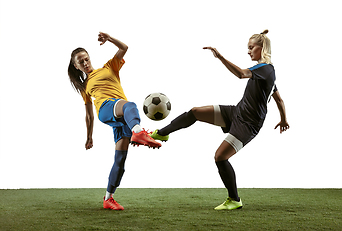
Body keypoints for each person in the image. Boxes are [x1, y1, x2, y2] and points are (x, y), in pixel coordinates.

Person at [151, 30, 289, 210]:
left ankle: (234, 199)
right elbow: (278, 98)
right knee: (195, 112)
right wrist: (284, 119)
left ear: (262, 48)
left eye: (251, 47)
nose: (248, 51)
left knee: (220, 157)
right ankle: (162, 134)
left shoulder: (265, 68)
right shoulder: (267, 72)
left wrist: (220, 57)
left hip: (248, 124)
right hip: (237, 112)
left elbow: (240, 74)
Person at [68, 32, 161, 211]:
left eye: (86, 59)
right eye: (81, 62)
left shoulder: (109, 67)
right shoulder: (85, 87)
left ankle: (108, 198)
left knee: (120, 162)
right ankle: (139, 131)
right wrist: (89, 137)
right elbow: (89, 115)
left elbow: (124, 48)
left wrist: (109, 38)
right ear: (76, 65)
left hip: (120, 117)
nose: (85, 63)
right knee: (130, 105)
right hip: (106, 109)